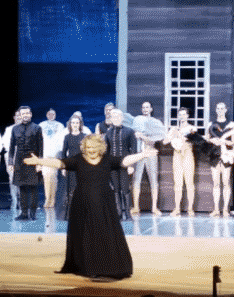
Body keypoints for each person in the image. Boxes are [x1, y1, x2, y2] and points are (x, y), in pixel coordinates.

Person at [25, 133, 155, 280]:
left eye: (93, 147)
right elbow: (60, 163)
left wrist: (142, 155)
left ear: (100, 147)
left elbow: (124, 161)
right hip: (82, 203)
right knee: (85, 235)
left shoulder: (107, 159)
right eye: (87, 147)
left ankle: (106, 267)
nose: (90, 150)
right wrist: (39, 161)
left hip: (104, 204)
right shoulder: (78, 159)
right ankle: (88, 267)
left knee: (104, 233)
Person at [8, 106, 43, 221]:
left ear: (31, 114)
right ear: (20, 115)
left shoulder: (37, 128)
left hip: (33, 159)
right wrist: (10, 162)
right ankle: (23, 213)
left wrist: (40, 163)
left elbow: (41, 146)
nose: (25, 115)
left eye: (27, 113)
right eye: (23, 113)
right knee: (22, 187)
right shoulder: (15, 129)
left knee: (33, 187)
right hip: (19, 161)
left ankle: (32, 213)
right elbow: (11, 147)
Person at [131, 101, 165, 216]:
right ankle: (136, 207)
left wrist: (142, 136)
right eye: (143, 107)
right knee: (136, 180)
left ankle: (154, 208)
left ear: (151, 109)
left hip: (150, 153)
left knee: (153, 180)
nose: (145, 109)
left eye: (147, 107)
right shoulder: (136, 122)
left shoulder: (155, 123)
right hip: (139, 153)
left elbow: (153, 141)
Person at [164, 108, 199, 217]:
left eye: (184, 114)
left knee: (189, 182)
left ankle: (190, 209)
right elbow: (165, 141)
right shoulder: (174, 128)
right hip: (177, 155)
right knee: (177, 183)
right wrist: (171, 134)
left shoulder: (192, 128)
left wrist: (178, 134)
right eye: (180, 115)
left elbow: (194, 140)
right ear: (178, 116)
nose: (182, 117)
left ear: (188, 116)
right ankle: (177, 209)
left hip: (188, 154)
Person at [206, 102, 234, 217]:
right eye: (218, 108)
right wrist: (212, 141)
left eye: (222, 108)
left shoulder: (231, 125)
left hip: (226, 156)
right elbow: (207, 139)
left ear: (225, 110)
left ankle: (225, 209)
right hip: (214, 155)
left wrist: (224, 141)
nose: (220, 110)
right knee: (216, 183)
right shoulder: (210, 124)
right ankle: (216, 209)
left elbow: (233, 142)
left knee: (226, 182)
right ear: (216, 110)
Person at [104, 108, 137, 220]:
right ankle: (118, 213)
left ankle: (127, 213)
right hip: (112, 165)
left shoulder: (130, 131)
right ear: (111, 118)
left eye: (118, 116)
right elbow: (107, 151)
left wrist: (131, 165)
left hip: (125, 164)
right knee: (115, 188)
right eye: (114, 116)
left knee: (125, 188)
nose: (116, 118)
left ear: (122, 118)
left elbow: (134, 150)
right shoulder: (108, 132)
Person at [60, 113, 90, 220]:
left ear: (80, 124)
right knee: (71, 189)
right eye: (73, 123)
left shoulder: (84, 136)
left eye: (77, 123)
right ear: (70, 124)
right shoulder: (67, 137)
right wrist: (63, 167)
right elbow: (64, 153)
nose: (75, 124)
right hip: (71, 167)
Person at [39, 109, 67, 209]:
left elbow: (62, 141)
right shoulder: (41, 125)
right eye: (49, 114)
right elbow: (39, 141)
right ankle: (48, 199)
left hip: (55, 156)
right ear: (47, 115)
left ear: (55, 115)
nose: (51, 115)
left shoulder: (60, 125)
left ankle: (53, 199)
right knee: (46, 177)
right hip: (45, 156)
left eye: (53, 114)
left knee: (54, 177)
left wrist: (60, 154)